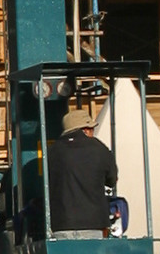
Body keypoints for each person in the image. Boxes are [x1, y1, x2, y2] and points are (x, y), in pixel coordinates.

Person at [45, 100, 119, 234]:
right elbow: (112, 180)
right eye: (92, 129)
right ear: (85, 130)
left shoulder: (52, 152)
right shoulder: (100, 149)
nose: (93, 132)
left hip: (61, 224)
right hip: (94, 224)